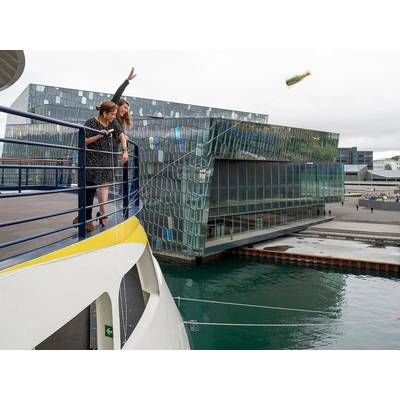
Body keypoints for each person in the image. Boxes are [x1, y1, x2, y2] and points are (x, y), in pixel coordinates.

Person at [73, 101, 125, 232]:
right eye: (112, 114)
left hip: (105, 162)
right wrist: (98, 135)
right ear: (104, 113)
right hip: (92, 161)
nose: (114, 116)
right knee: (89, 190)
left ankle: (85, 218)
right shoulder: (91, 122)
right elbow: (83, 141)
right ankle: (86, 220)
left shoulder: (112, 122)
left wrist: (124, 150)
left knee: (97, 188)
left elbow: (121, 134)